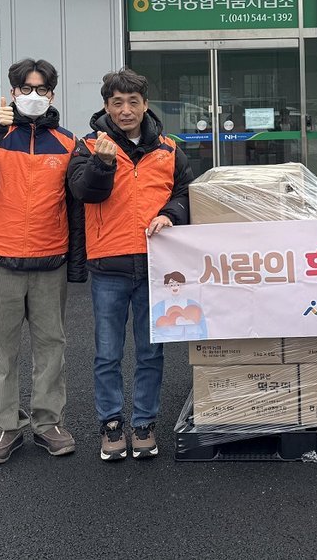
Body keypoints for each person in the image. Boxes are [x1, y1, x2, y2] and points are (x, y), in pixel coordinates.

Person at [0, 58, 78, 465]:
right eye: (26, 88)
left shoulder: (68, 142)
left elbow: (77, 202)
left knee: (52, 347)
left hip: (49, 259)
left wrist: (76, 261)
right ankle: (5, 426)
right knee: (0, 350)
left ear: (52, 95)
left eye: (41, 89)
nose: (33, 96)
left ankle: (48, 423)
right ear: (13, 92)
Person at [67, 68, 191, 462]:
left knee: (151, 352)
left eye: (132, 102)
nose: (125, 110)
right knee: (108, 353)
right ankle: (110, 425)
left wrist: (171, 213)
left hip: (156, 266)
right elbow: (83, 191)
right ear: (107, 106)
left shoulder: (169, 149)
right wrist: (103, 164)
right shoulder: (89, 146)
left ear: (145, 105)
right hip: (108, 265)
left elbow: (186, 193)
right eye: (117, 103)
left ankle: (144, 424)